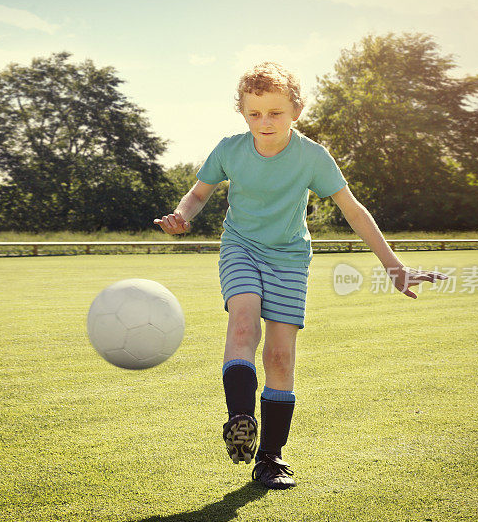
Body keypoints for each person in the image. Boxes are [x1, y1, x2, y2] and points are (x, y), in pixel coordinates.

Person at [154, 62, 447, 490]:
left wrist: (393, 265)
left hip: (290, 257)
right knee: (241, 324)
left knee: (279, 357)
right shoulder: (230, 150)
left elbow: (352, 209)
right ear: (243, 114)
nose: (265, 122)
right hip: (241, 246)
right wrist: (181, 216)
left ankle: (271, 458)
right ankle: (240, 418)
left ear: (296, 111)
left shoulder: (312, 156)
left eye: (275, 112)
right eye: (254, 114)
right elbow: (198, 194)